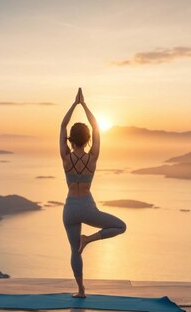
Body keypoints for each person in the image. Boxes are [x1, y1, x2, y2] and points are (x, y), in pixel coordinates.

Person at [59, 88, 127, 298]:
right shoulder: (92, 158)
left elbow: (62, 125)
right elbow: (97, 127)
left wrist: (74, 104)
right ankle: (88, 239)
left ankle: (80, 291)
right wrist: (85, 105)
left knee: (73, 251)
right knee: (120, 226)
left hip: (70, 208)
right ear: (88, 139)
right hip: (87, 207)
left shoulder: (66, 157)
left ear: (70, 139)